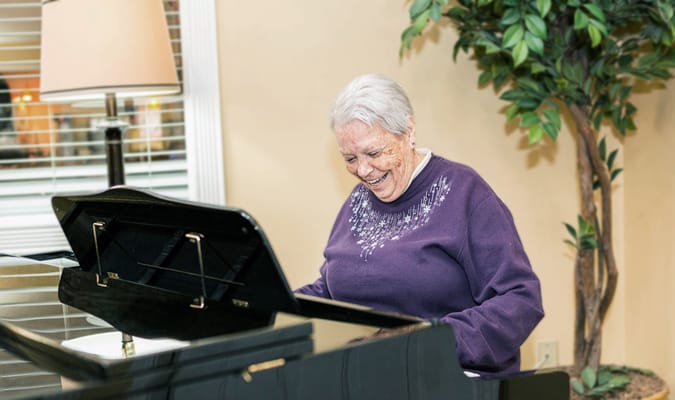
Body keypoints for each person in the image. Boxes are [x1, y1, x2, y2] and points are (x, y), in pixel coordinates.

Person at [295, 73, 544, 375]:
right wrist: (275, 305)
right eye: (350, 158)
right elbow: (332, 288)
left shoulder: (465, 193)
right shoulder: (358, 201)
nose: (362, 170)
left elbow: (520, 299)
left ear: (408, 131)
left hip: (444, 376)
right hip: (368, 376)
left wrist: (428, 339)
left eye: (374, 153)